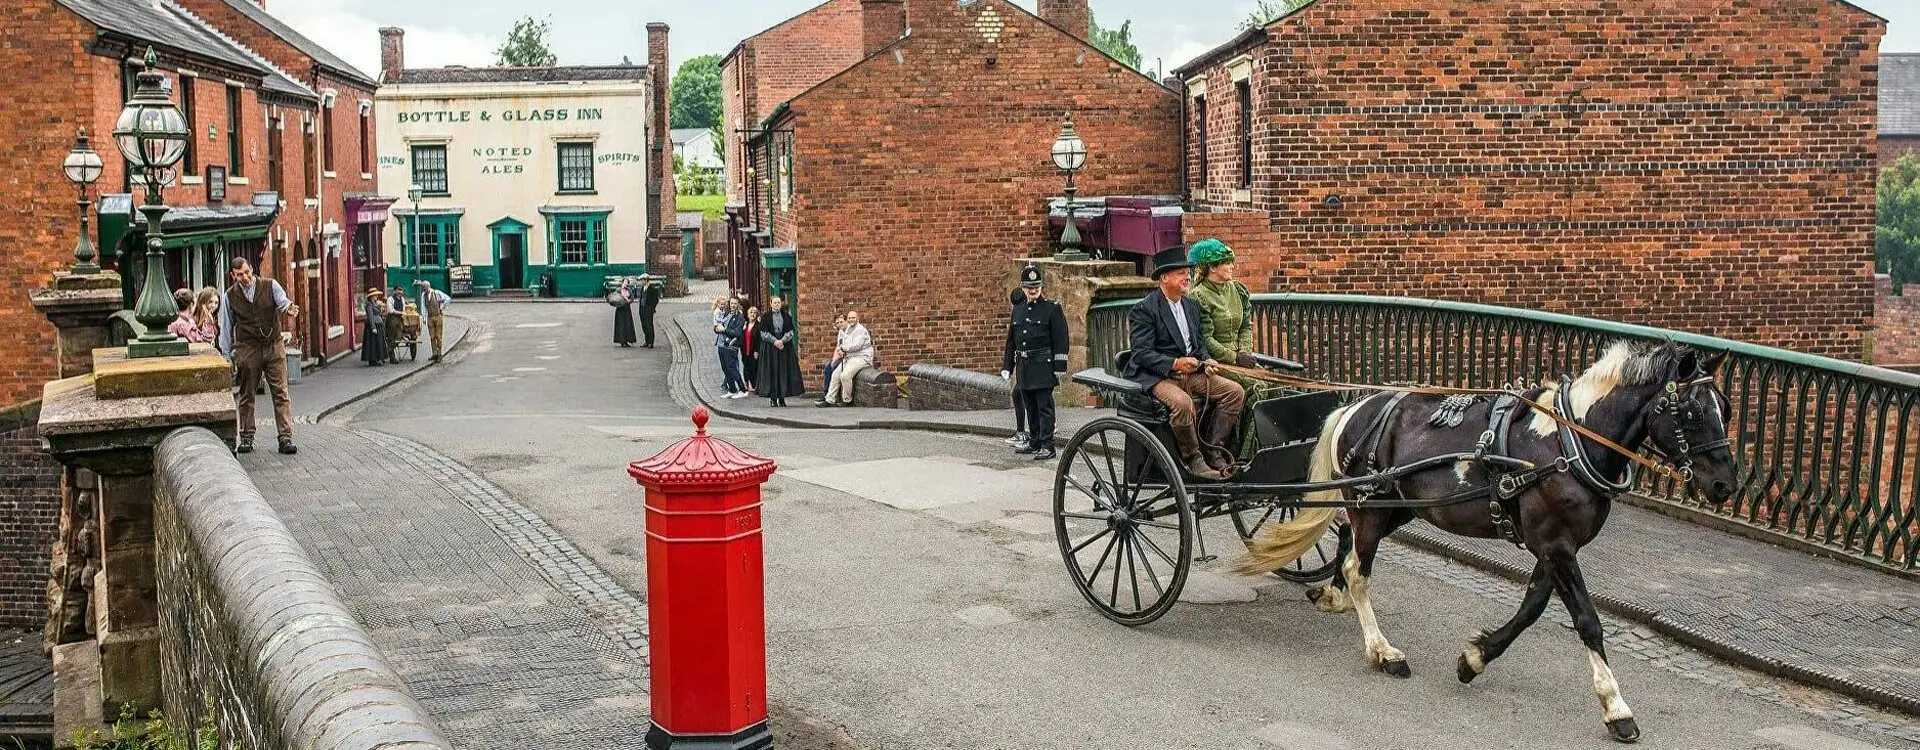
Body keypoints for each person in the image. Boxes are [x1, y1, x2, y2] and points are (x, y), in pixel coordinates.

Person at [1120, 247, 1246, 480]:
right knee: (1182, 404)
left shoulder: (1190, 306)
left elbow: (1198, 345)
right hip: (1158, 376)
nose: (1187, 277)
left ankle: (1214, 450)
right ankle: (1193, 459)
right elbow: (1141, 353)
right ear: (1164, 278)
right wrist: (1175, 363)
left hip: (1191, 372)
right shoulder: (1145, 309)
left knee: (1234, 392)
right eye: (1181, 273)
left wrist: (1207, 360)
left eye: (1188, 273)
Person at [1187, 239, 1272, 459]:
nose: (1232, 266)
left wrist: (1244, 352)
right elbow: (1205, 339)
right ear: (1212, 267)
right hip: (1216, 362)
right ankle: (1237, 451)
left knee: (1273, 385)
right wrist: (1234, 358)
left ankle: (1266, 448)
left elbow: (1246, 326)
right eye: (1227, 262)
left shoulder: (1238, 290)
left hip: (1238, 358)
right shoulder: (1199, 296)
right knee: (1257, 388)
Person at [219, 257, 300, 455]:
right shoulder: (229, 296)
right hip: (248, 348)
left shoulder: (270, 285)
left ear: (252, 269)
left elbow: (282, 302)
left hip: (273, 345)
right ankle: (246, 437)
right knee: (247, 394)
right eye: (240, 275)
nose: (245, 277)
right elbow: (226, 327)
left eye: (247, 272)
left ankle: (285, 437)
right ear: (233, 276)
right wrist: (226, 355)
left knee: (280, 393)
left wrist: (289, 308)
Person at [1001, 264, 1070, 460]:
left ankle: (1048, 444)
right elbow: (1012, 341)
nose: (1033, 291)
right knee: (1030, 405)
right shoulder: (1018, 310)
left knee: (1044, 407)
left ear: (1041, 287)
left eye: (1036, 287)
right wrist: (1007, 366)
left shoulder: (1051, 309)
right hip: (1024, 366)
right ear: (1023, 288)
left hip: (1043, 364)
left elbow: (1061, 338)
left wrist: (1059, 365)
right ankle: (1035, 441)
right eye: (1029, 287)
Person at [754, 296, 804, 407]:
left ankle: (782, 398)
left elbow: (791, 331)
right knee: (772, 373)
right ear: (771, 304)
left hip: (784, 349)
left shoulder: (786, 316)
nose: (777, 304)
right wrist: (775, 341)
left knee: (783, 373)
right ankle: (773, 399)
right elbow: (763, 333)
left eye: (778, 302)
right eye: (775, 302)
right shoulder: (766, 317)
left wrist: (782, 341)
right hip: (770, 349)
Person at [820, 310, 876, 407]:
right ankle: (830, 399)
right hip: (849, 357)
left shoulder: (861, 330)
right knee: (835, 375)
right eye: (849, 318)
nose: (851, 320)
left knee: (845, 376)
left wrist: (843, 348)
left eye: (853, 318)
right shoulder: (846, 330)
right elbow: (840, 344)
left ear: (857, 319)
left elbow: (857, 346)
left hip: (862, 357)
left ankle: (847, 400)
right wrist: (840, 350)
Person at [1004, 287, 1030, 452]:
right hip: (1026, 364)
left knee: (1023, 396)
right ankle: (1023, 432)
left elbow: (1011, 342)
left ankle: (1024, 433)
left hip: (1028, 364)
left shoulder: (1019, 313)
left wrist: (1007, 366)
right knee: (1022, 395)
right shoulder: (1026, 311)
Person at [714, 299, 747, 397]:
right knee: (725, 368)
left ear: (738, 304)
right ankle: (732, 389)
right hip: (721, 343)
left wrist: (724, 329)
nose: (733, 305)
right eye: (731, 303)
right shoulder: (726, 313)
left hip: (731, 346)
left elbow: (737, 333)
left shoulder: (740, 317)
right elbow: (719, 325)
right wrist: (716, 329)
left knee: (732, 368)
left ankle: (742, 390)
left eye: (735, 303)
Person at [416, 280, 451, 361]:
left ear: (428, 286)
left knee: (438, 336)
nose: (424, 289)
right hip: (430, 317)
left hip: (438, 316)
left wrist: (442, 307)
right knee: (432, 336)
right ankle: (434, 353)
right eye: (423, 288)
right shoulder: (423, 295)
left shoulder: (436, 293)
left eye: (424, 287)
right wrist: (424, 318)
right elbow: (423, 307)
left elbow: (448, 299)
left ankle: (439, 354)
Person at [360, 289, 389, 367]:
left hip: (378, 324)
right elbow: (370, 316)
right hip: (373, 326)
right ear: (371, 297)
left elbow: (379, 313)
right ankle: (373, 359)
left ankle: (378, 358)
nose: (376, 296)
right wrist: (373, 327)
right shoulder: (369, 305)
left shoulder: (375, 304)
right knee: (373, 344)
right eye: (375, 295)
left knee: (378, 343)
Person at [639, 275, 663, 348]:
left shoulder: (652, 289)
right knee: (644, 326)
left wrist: (652, 308)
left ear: (646, 280)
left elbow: (656, 300)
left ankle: (650, 342)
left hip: (649, 310)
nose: (641, 281)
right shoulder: (643, 288)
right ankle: (646, 341)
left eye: (642, 280)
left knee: (649, 325)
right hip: (642, 309)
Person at [612, 281, 638, 348]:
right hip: (620, 309)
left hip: (627, 309)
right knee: (621, 325)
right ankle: (622, 341)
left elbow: (632, 298)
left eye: (627, 283)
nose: (626, 284)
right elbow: (614, 299)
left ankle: (627, 340)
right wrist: (621, 300)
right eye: (625, 282)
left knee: (627, 325)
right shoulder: (618, 290)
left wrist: (629, 300)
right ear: (622, 283)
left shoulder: (629, 290)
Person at [385, 285, 407, 363]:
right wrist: (401, 312)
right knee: (391, 337)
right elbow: (391, 310)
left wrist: (402, 314)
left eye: (401, 290)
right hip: (392, 319)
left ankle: (388, 349)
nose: (400, 292)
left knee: (398, 336)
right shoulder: (390, 299)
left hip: (400, 319)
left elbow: (403, 308)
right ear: (395, 291)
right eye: (398, 290)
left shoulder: (402, 299)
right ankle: (392, 358)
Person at [741, 305, 760, 394]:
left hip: (753, 350)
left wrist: (757, 351)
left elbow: (759, 340)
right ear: (748, 315)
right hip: (745, 350)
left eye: (754, 313)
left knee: (753, 368)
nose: (752, 314)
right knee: (746, 367)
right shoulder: (745, 325)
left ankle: (754, 384)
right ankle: (746, 383)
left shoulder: (758, 326)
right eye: (751, 313)